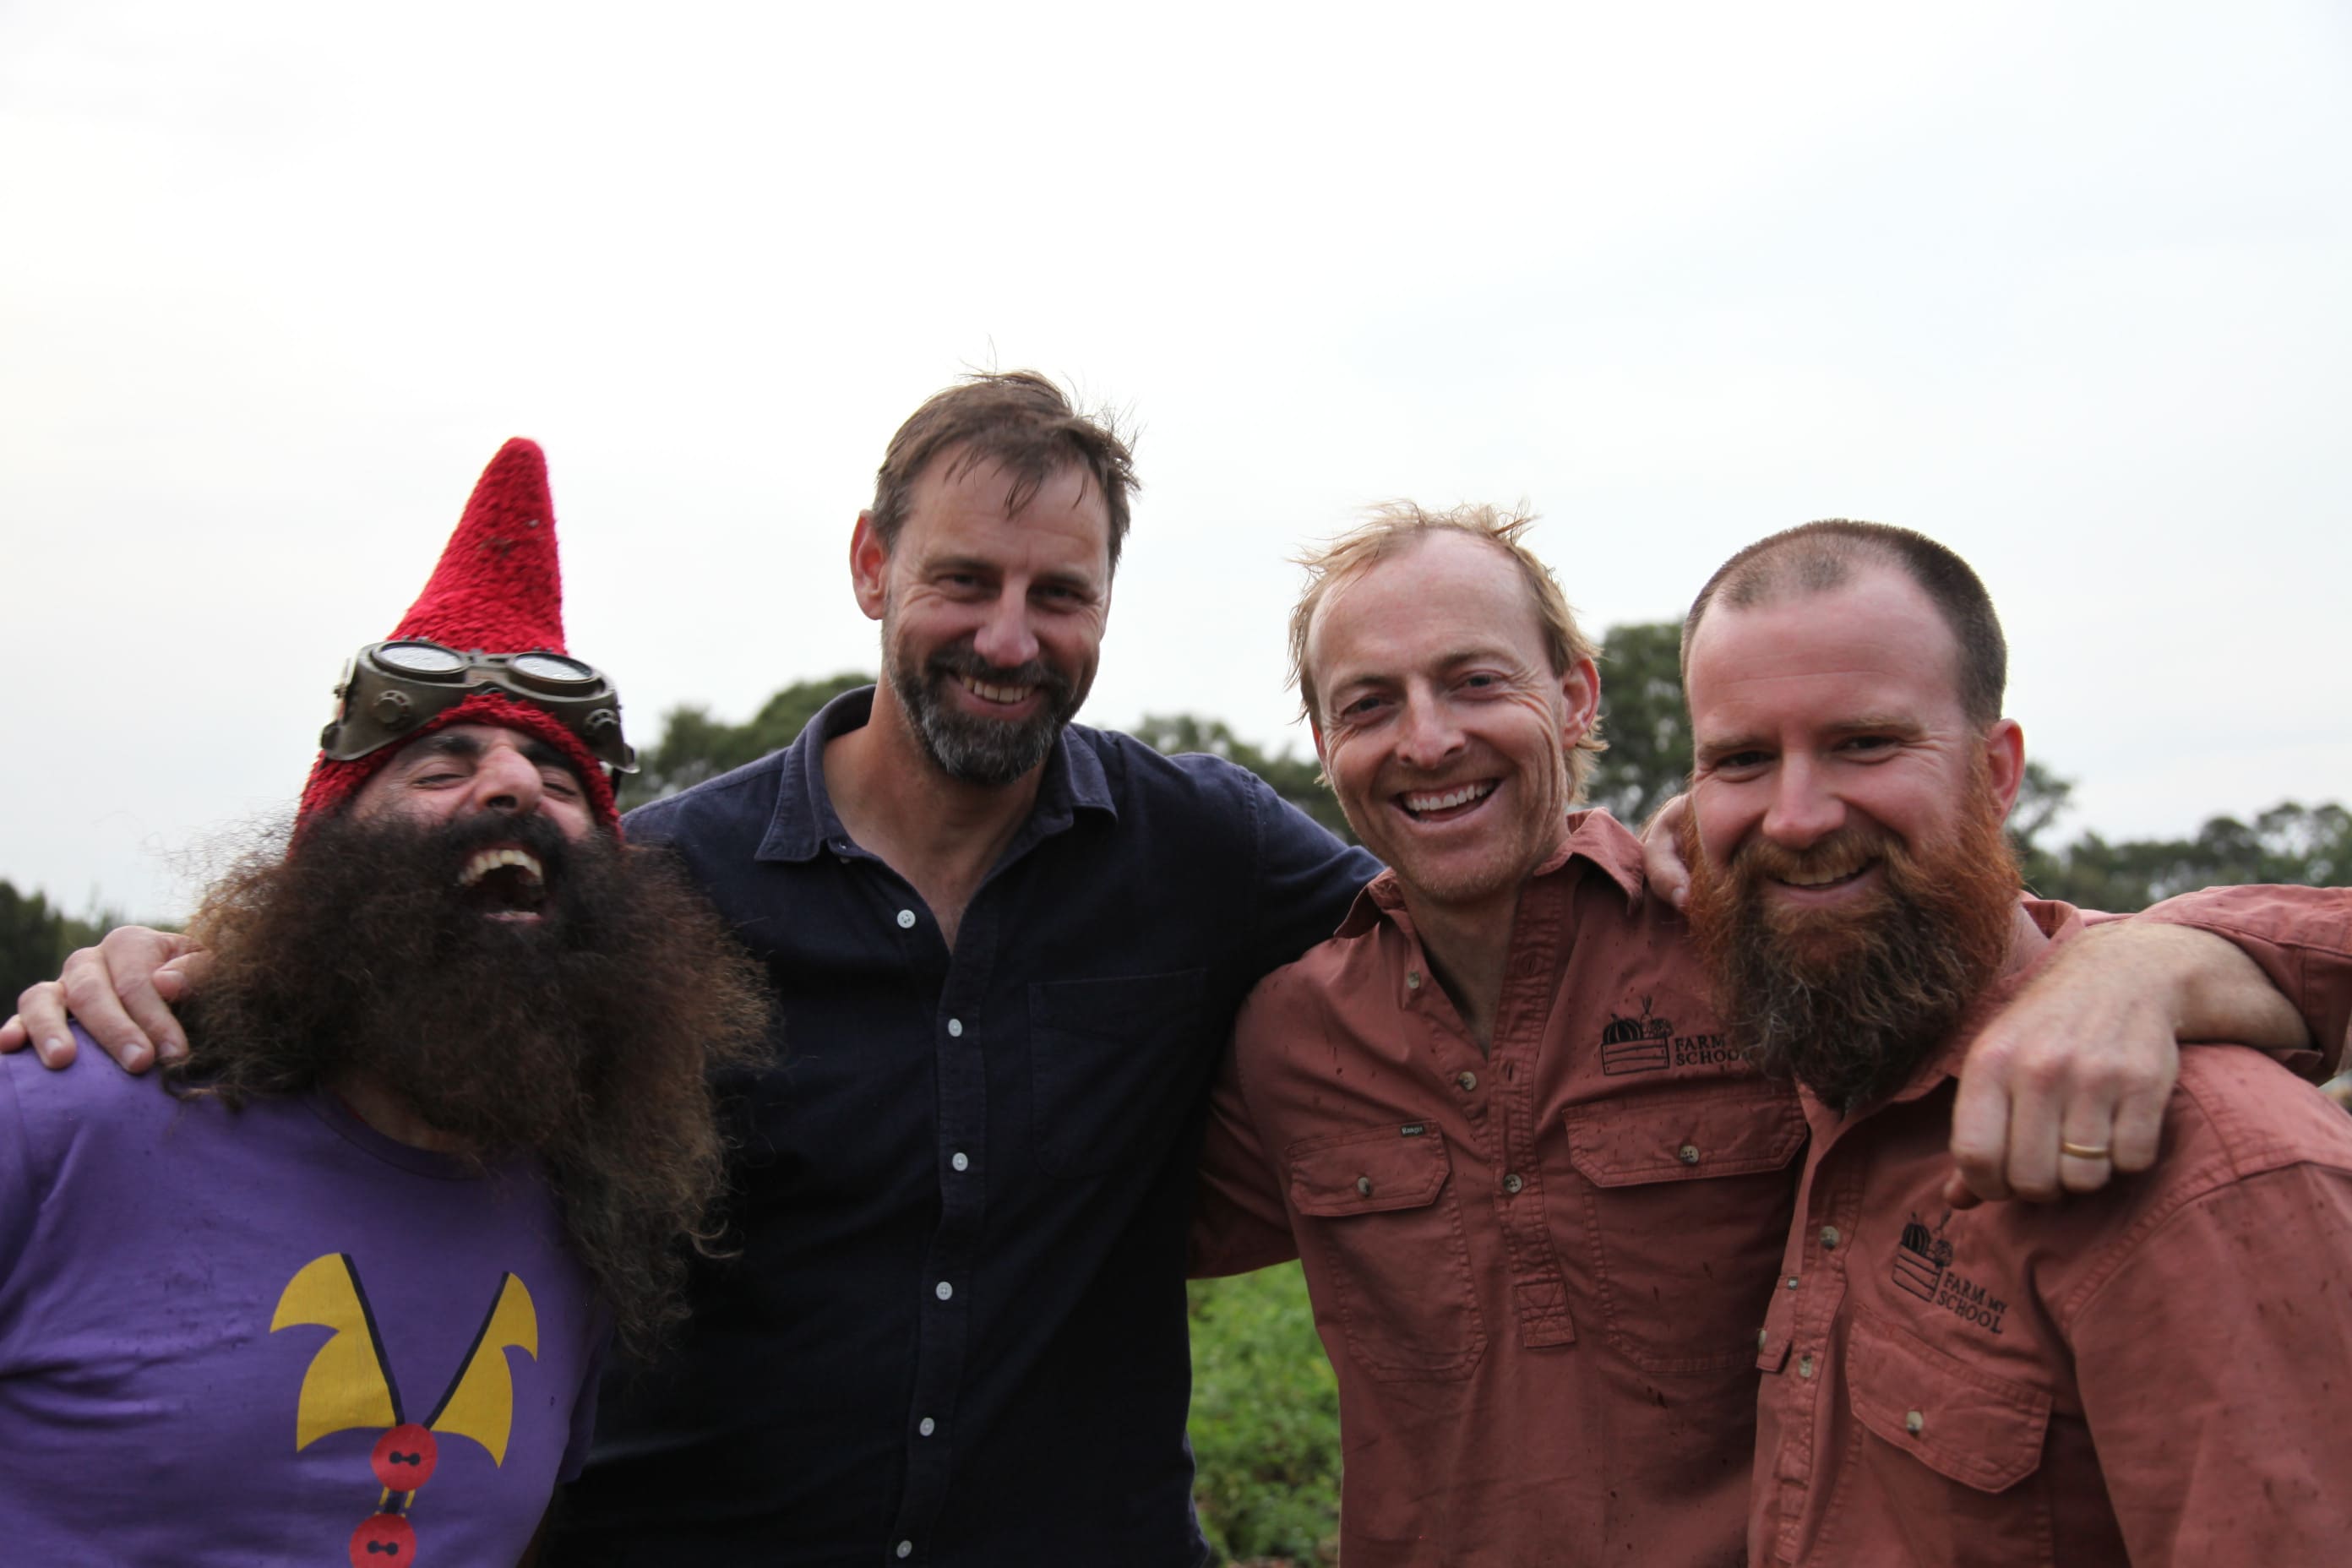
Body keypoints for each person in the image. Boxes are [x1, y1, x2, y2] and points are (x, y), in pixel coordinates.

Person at [6, 392, 2300, 1565]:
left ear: (1577, 700)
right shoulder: (665, 882)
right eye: (968, 580)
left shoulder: (1310, 886)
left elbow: (1929, 953)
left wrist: (2190, 947)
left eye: (1065, 596)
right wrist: (199, 965)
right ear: (873, 572)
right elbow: (432, 955)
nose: (1011, 635)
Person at [1190, 503, 2347, 1566]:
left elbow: (2011, 960)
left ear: (1579, 699)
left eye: (1475, 680)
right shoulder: (1292, 1036)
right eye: (1370, 703)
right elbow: (1075, 1211)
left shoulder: (1745, 941)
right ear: (1321, 738)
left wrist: (2150, 959)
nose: (1428, 740)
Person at [0, 438, 771, 1565]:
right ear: (322, 870)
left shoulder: (585, 1222)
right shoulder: (61, 1117)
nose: (511, 785)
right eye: (441, 764)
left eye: (562, 781)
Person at [1678, 519, 2352, 1565]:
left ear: (1996, 772)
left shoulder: (2214, 1166)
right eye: (1742, 759)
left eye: (1865, 741)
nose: (1797, 815)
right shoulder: (1834, 1059)